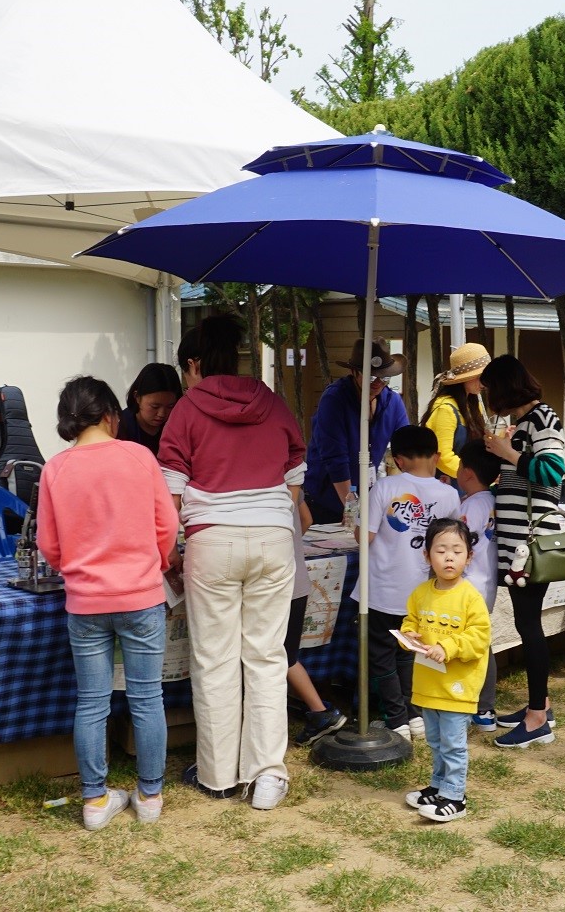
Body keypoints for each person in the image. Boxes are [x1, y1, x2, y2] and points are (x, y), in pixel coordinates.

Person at [157, 315, 308, 810]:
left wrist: (170, 548)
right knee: (267, 657)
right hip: (273, 537)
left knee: (214, 658)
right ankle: (267, 776)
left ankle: (218, 775)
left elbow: (171, 493)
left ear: (194, 364)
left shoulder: (186, 410)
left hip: (212, 541)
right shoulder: (273, 402)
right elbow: (295, 480)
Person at [37, 376, 179, 829]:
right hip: (141, 596)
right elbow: (167, 526)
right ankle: (150, 796)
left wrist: (75, 569)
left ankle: (95, 801)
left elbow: (49, 545)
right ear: (109, 414)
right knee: (147, 698)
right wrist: (155, 563)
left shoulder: (55, 469)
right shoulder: (139, 457)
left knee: (91, 702)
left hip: (85, 602)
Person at [482, 354, 565, 748]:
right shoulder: (526, 421)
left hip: (530, 544)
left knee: (529, 626)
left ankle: (537, 720)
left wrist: (508, 453)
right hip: (519, 543)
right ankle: (541, 706)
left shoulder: (543, 418)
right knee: (526, 622)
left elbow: (552, 472)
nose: (487, 397)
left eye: (489, 389)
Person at [358, 425, 462, 738]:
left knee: (381, 656)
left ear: (399, 460)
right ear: (437, 456)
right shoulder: (449, 494)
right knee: (409, 653)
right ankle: (414, 716)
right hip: (421, 591)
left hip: (381, 589)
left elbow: (365, 537)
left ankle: (397, 720)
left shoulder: (385, 486)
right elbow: (451, 544)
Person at [400, 518, 492, 823]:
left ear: (469, 556)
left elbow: (479, 637)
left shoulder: (470, 597)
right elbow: (410, 621)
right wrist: (409, 634)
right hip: (428, 684)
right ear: (427, 555)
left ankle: (455, 796)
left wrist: (448, 647)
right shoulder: (420, 593)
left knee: (453, 744)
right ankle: (439, 786)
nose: (449, 557)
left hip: (457, 686)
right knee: (436, 741)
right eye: (441, 551)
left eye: (457, 551)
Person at [304, 339, 411, 524]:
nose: (378, 382)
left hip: (367, 496)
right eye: (371, 377)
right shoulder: (335, 399)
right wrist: (352, 508)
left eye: (384, 377)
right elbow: (335, 458)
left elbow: (407, 446)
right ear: (354, 372)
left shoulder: (392, 401)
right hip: (326, 498)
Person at [286, 493, 346, 746]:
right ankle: (319, 711)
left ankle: (320, 712)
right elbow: (306, 519)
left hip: (274, 583)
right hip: (296, 579)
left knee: (278, 655)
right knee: (285, 655)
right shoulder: (289, 483)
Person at [455, 441, 503, 729]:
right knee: (482, 642)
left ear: (468, 472)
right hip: (486, 584)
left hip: (467, 586)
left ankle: (476, 705)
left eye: (460, 465)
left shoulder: (471, 505)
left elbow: (457, 543)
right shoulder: (492, 500)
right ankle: (483, 709)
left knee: (471, 645)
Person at [423, 343, 489, 481]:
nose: (485, 382)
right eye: (480, 376)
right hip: (448, 484)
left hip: (469, 481)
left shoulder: (473, 404)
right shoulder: (445, 409)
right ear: (465, 378)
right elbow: (443, 457)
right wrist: (476, 475)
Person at [118, 363, 183, 456]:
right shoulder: (120, 427)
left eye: (170, 406)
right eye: (155, 406)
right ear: (137, 397)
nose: (161, 414)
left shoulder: (176, 427)